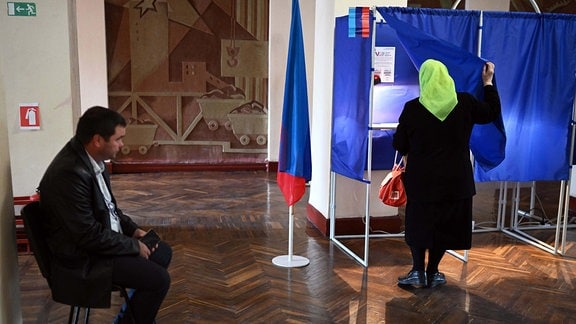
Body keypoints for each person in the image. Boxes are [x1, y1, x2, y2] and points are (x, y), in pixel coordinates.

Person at [38, 106, 172, 323]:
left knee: (162, 253)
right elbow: (87, 236)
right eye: (118, 139)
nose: (122, 145)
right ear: (98, 140)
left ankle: (135, 316)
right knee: (158, 280)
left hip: (96, 245)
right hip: (82, 259)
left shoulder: (90, 160)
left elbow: (108, 208)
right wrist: (132, 246)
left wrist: (132, 230)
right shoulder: (70, 173)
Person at [393, 59, 501, 288]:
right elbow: (491, 112)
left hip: (422, 181)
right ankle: (433, 272)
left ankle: (417, 271)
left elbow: (399, 142)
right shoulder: (465, 103)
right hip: (456, 180)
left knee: (419, 224)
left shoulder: (412, 108)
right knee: (445, 226)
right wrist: (488, 82)